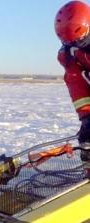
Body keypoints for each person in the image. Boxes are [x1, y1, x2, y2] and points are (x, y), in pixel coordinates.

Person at [55, 0, 90, 162]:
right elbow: (77, 85)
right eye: (69, 42)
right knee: (87, 139)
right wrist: (86, 116)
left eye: (79, 41)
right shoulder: (69, 54)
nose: (75, 45)